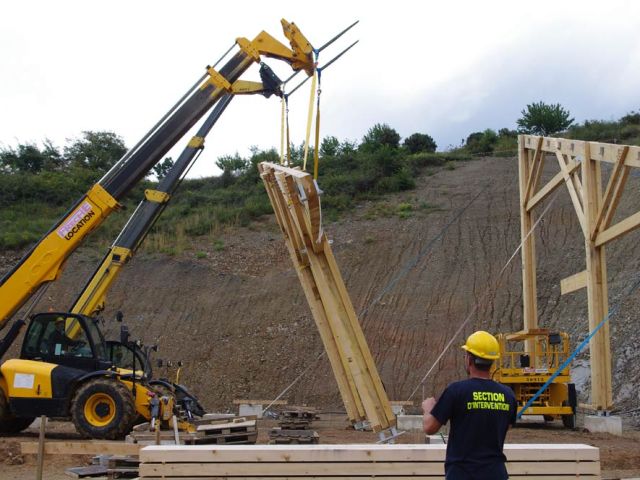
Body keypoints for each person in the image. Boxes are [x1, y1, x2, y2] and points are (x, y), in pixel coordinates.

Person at [422, 330, 517, 480]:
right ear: (492, 362)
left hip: (462, 474)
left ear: (469, 359)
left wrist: (429, 409)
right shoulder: (508, 395)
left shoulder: (456, 391)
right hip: (496, 474)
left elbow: (429, 428)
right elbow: (505, 426)